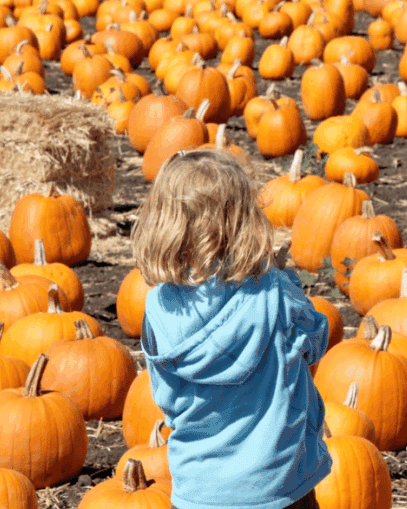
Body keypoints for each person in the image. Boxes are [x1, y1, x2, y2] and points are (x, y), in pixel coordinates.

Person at [132, 149, 331, 509]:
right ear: (245, 221)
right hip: (279, 485)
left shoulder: (156, 308)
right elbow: (315, 342)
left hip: (199, 491)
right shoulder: (275, 294)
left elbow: (165, 397)